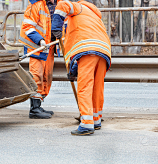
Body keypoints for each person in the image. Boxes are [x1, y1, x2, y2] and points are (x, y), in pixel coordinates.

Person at [51, 0, 111, 135]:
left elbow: (63, 5)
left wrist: (56, 26)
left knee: (84, 87)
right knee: (97, 86)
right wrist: (73, 70)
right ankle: (95, 120)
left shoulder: (78, 7)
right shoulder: (94, 16)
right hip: (104, 51)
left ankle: (86, 125)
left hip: (88, 49)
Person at [19, 0, 62, 119]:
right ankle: (34, 109)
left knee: (46, 77)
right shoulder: (36, 4)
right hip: (37, 47)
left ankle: (38, 105)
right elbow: (27, 26)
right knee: (36, 76)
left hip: (50, 47)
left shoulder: (60, 3)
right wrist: (40, 40)